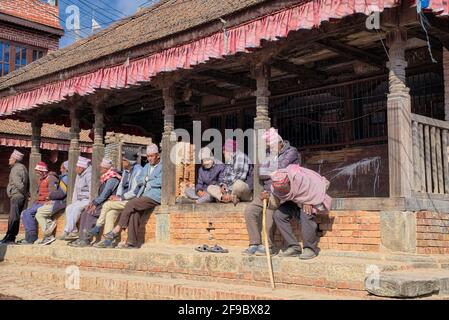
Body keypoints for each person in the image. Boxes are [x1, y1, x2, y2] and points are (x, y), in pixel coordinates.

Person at [243, 128, 299, 256]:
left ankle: (269, 246)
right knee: (250, 211)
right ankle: (255, 243)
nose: (270, 148)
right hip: (268, 191)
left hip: (283, 192)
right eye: (269, 146)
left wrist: (270, 169)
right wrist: (270, 172)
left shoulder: (291, 152)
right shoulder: (269, 153)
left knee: (269, 212)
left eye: (272, 146)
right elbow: (260, 173)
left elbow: (280, 169)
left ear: (280, 143)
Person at [103, 143, 162, 249]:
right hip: (143, 195)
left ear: (157, 155)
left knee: (131, 203)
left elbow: (161, 181)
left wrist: (147, 181)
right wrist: (146, 180)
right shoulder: (147, 166)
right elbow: (140, 179)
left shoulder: (163, 167)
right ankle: (132, 243)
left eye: (152, 156)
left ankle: (117, 229)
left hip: (155, 196)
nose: (149, 158)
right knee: (134, 213)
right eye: (148, 156)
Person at [270, 164, 332, 260]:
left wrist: (309, 201)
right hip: (294, 201)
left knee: (306, 213)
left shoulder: (301, 179)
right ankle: (294, 247)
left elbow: (317, 188)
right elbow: (275, 202)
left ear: (289, 183)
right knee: (278, 215)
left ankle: (310, 248)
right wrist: (268, 198)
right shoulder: (276, 184)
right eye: (279, 190)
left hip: (310, 198)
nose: (281, 191)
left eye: (283, 188)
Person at [87, 151, 143, 248]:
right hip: (122, 201)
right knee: (110, 213)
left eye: (124, 160)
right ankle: (108, 241)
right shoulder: (125, 171)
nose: (122, 161)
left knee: (107, 205)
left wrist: (120, 198)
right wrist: (117, 197)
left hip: (132, 201)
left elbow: (134, 192)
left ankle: (97, 227)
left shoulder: (138, 170)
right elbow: (121, 187)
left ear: (130, 162)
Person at [69, 158, 121, 247]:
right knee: (85, 212)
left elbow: (105, 194)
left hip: (108, 203)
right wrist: (92, 203)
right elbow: (100, 195)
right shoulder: (105, 177)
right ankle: (81, 237)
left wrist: (95, 204)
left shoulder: (112, 178)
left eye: (101, 168)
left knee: (91, 213)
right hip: (102, 202)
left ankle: (86, 240)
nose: (99, 169)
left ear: (106, 168)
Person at [17, 162, 59, 245]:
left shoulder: (51, 178)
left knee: (27, 213)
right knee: (24, 213)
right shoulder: (41, 179)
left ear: (43, 171)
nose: (37, 174)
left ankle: (31, 238)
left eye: (38, 172)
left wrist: (48, 199)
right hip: (39, 202)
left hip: (45, 203)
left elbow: (53, 192)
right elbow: (40, 193)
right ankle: (28, 237)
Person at [207, 139, 253, 205]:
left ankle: (228, 197)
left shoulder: (241, 157)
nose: (223, 153)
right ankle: (225, 198)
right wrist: (222, 185)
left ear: (228, 151)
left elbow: (240, 177)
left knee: (238, 184)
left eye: (224, 151)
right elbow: (225, 177)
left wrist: (227, 190)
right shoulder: (230, 161)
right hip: (230, 190)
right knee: (210, 187)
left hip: (244, 192)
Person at [35, 161, 69, 245]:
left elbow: (62, 193)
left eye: (62, 168)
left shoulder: (65, 178)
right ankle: (49, 224)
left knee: (39, 213)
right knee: (38, 211)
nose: (60, 170)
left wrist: (49, 197)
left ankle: (48, 235)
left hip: (60, 202)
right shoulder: (63, 177)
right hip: (55, 201)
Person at [59, 156, 92, 241]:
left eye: (77, 167)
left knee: (76, 209)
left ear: (82, 167)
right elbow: (75, 190)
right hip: (80, 200)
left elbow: (92, 190)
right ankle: (74, 231)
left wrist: (91, 202)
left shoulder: (89, 174)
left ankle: (66, 231)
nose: (76, 169)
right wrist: (73, 202)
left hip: (87, 199)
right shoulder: (79, 175)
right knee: (69, 208)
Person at [0, 150, 29, 244]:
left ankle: (11, 237)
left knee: (14, 217)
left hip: (17, 195)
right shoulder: (21, 167)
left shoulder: (16, 168)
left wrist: (24, 193)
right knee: (13, 217)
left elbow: (19, 184)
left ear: (15, 159)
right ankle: (8, 236)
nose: (9, 159)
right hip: (18, 195)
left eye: (11, 158)